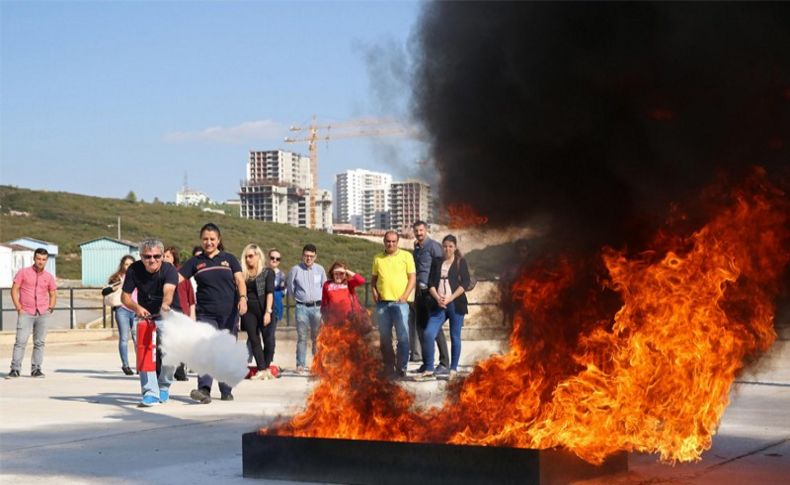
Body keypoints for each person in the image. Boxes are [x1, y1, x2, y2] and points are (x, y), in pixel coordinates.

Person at [179, 223, 247, 403]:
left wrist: (243, 298)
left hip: (229, 313)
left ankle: (226, 389)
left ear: (218, 240)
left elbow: (240, 280)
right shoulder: (196, 262)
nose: (208, 242)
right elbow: (177, 279)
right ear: (201, 240)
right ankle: (204, 389)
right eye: (205, 239)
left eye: (212, 239)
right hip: (205, 313)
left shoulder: (229, 259)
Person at [121, 239, 179, 407]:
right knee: (144, 353)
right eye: (147, 256)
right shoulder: (134, 269)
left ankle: (164, 386)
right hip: (144, 316)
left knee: (171, 354)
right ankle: (150, 392)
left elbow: (169, 290)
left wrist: (166, 304)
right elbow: (125, 296)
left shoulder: (169, 269)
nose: (152, 260)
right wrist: (136, 307)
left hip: (165, 314)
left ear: (162, 256)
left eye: (156, 256)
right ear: (141, 256)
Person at [420, 235, 471, 380]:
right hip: (439, 304)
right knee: (429, 333)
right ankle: (429, 367)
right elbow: (430, 283)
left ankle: (453, 369)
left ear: (455, 247)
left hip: (456, 303)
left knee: (455, 336)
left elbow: (465, 283)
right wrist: (438, 298)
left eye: (450, 246)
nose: (447, 249)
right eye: (445, 246)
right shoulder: (437, 262)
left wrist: (451, 298)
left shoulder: (461, 262)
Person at [371, 231, 416, 378]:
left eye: (393, 241)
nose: (390, 244)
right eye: (388, 241)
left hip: (400, 304)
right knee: (385, 339)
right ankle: (389, 367)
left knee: (403, 337)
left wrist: (405, 296)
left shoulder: (406, 256)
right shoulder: (377, 258)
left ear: (398, 242)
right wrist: (374, 292)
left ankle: (401, 367)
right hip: (382, 304)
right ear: (384, 242)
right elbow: (373, 279)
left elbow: (412, 278)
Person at [7, 248, 57, 378]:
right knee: (20, 341)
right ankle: (15, 369)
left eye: (44, 259)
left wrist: (50, 307)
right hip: (26, 312)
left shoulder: (49, 277)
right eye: (39, 259)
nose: (41, 262)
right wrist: (18, 307)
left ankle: (36, 369)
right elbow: (14, 290)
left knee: (39, 342)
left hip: (43, 313)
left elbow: (52, 293)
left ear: (46, 260)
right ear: (34, 259)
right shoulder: (23, 273)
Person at [411, 220, 450, 375]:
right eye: (416, 231)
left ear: (426, 230)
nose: (419, 233)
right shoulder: (416, 249)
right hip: (419, 294)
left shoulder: (434, 247)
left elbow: (443, 269)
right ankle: (427, 363)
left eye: (421, 230)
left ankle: (444, 362)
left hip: (432, 293)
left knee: (435, 328)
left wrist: (439, 292)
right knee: (420, 328)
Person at [286, 244, 326, 375]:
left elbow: (324, 287)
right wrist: (298, 299)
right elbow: (291, 288)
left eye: (311, 256)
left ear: (315, 256)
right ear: (302, 255)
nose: (308, 258)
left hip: (317, 308)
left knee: (317, 337)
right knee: (302, 337)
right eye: (306, 256)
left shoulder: (320, 270)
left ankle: (317, 364)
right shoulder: (295, 270)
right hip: (302, 307)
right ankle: (300, 364)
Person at [240, 244, 276, 380]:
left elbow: (269, 293)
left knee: (269, 341)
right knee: (254, 339)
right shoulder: (243, 274)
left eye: (251, 256)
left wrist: (268, 312)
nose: (248, 259)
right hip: (249, 311)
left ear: (258, 256)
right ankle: (261, 369)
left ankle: (266, 367)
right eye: (246, 256)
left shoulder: (267, 272)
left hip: (264, 309)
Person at [163, 246, 195, 381]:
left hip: (182, 312)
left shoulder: (182, 275)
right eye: (163, 256)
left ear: (174, 258)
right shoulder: (160, 275)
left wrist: (192, 314)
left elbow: (191, 296)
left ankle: (180, 370)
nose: (165, 259)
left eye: (168, 256)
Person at [107, 255, 137, 375]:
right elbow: (106, 291)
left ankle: (140, 365)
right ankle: (126, 365)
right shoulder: (117, 278)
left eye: (131, 264)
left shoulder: (139, 277)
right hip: (122, 310)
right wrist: (116, 287)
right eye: (126, 264)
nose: (128, 266)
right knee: (124, 338)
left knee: (137, 339)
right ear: (122, 265)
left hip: (135, 309)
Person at [321, 261, 365, 326]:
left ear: (345, 274)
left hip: (349, 319)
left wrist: (346, 270)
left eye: (341, 273)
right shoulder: (327, 285)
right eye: (336, 273)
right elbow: (324, 302)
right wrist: (323, 316)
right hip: (333, 320)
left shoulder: (348, 283)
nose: (338, 276)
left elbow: (361, 280)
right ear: (332, 274)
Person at [268, 248, 286, 325]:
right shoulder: (262, 272)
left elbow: (283, 292)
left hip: (275, 307)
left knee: (271, 333)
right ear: (268, 258)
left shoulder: (282, 275)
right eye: (272, 258)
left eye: (277, 259)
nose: (274, 260)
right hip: (262, 307)